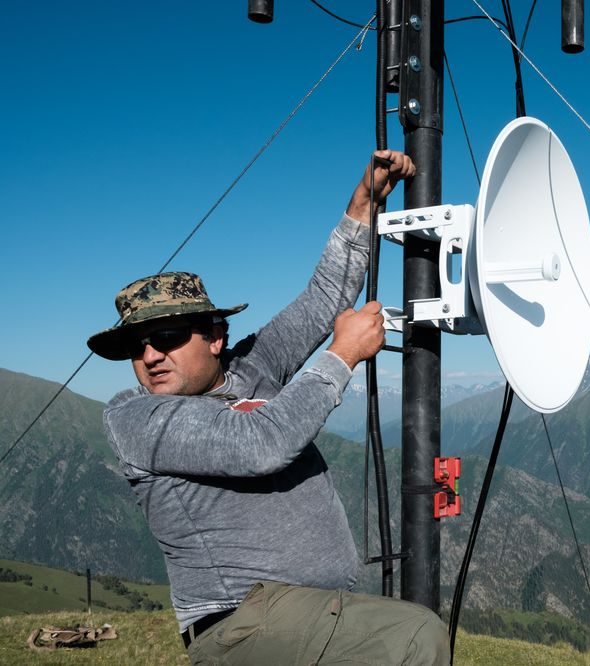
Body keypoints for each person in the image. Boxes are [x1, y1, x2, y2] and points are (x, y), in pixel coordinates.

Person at [87, 150, 450, 665]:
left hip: (305, 615)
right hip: (238, 622)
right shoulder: (136, 417)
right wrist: (342, 355)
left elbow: (321, 301)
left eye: (165, 336)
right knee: (415, 638)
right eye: (135, 346)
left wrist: (362, 209)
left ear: (215, 338)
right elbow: (263, 443)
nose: (149, 355)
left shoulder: (249, 369)